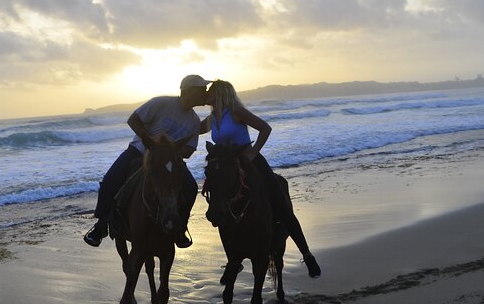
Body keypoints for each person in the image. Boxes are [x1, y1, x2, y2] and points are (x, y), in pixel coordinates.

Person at [200, 80, 321, 277]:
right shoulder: (212, 118)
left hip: (251, 162)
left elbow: (265, 128)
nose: (205, 94)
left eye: (209, 91)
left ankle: (306, 254)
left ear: (219, 93)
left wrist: (253, 152)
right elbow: (190, 130)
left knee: (281, 203)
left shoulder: (236, 111)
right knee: (219, 206)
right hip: (227, 168)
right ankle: (233, 259)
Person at [83, 74, 211, 248]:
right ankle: (101, 226)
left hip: (169, 163)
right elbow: (133, 120)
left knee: (190, 187)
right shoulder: (161, 103)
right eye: (202, 89)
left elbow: (188, 152)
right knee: (110, 181)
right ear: (188, 91)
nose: (206, 92)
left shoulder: (194, 121)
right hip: (138, 152)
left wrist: (169, 151)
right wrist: (150, 142)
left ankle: (181, 227)